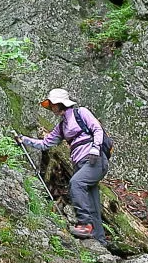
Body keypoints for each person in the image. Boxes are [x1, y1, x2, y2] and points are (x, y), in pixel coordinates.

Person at [16, 88, 108, 244]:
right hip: (80, 164)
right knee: (92, 200)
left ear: (60, 103)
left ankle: (85, 224)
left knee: (76, 183)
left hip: (95, 160)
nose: (51, 108)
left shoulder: (81, 113)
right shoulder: (62, 126)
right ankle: (100, 241)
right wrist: (24, 139)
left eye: (52, 104)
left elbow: (97, 129)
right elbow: (45, 144)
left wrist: (95, 148)